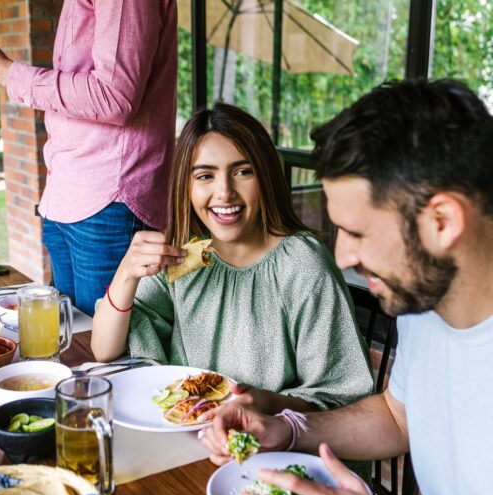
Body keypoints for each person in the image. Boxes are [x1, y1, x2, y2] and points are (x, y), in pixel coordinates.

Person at [200, 80, 493, 495]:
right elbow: (397, 416)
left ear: (442, 221)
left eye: (358, 232)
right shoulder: (427, 298)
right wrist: (288, 429)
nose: (343, 257)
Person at [91, 103, 373, 420]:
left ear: (266, 176)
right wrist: (127, 273)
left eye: (242, 172)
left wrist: (266, 405)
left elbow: (339, 400)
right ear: (186, 186)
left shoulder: (302, 265)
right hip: (187, 433)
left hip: (268, 446)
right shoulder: (185, 256)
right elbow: (104, 349)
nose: (224, 192)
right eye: (205, 176)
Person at [0, 1, 178, 316]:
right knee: (73, 339)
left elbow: (114, 98)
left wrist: (4, 72)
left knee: (108, 353)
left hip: (108, 199)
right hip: (68, 193)